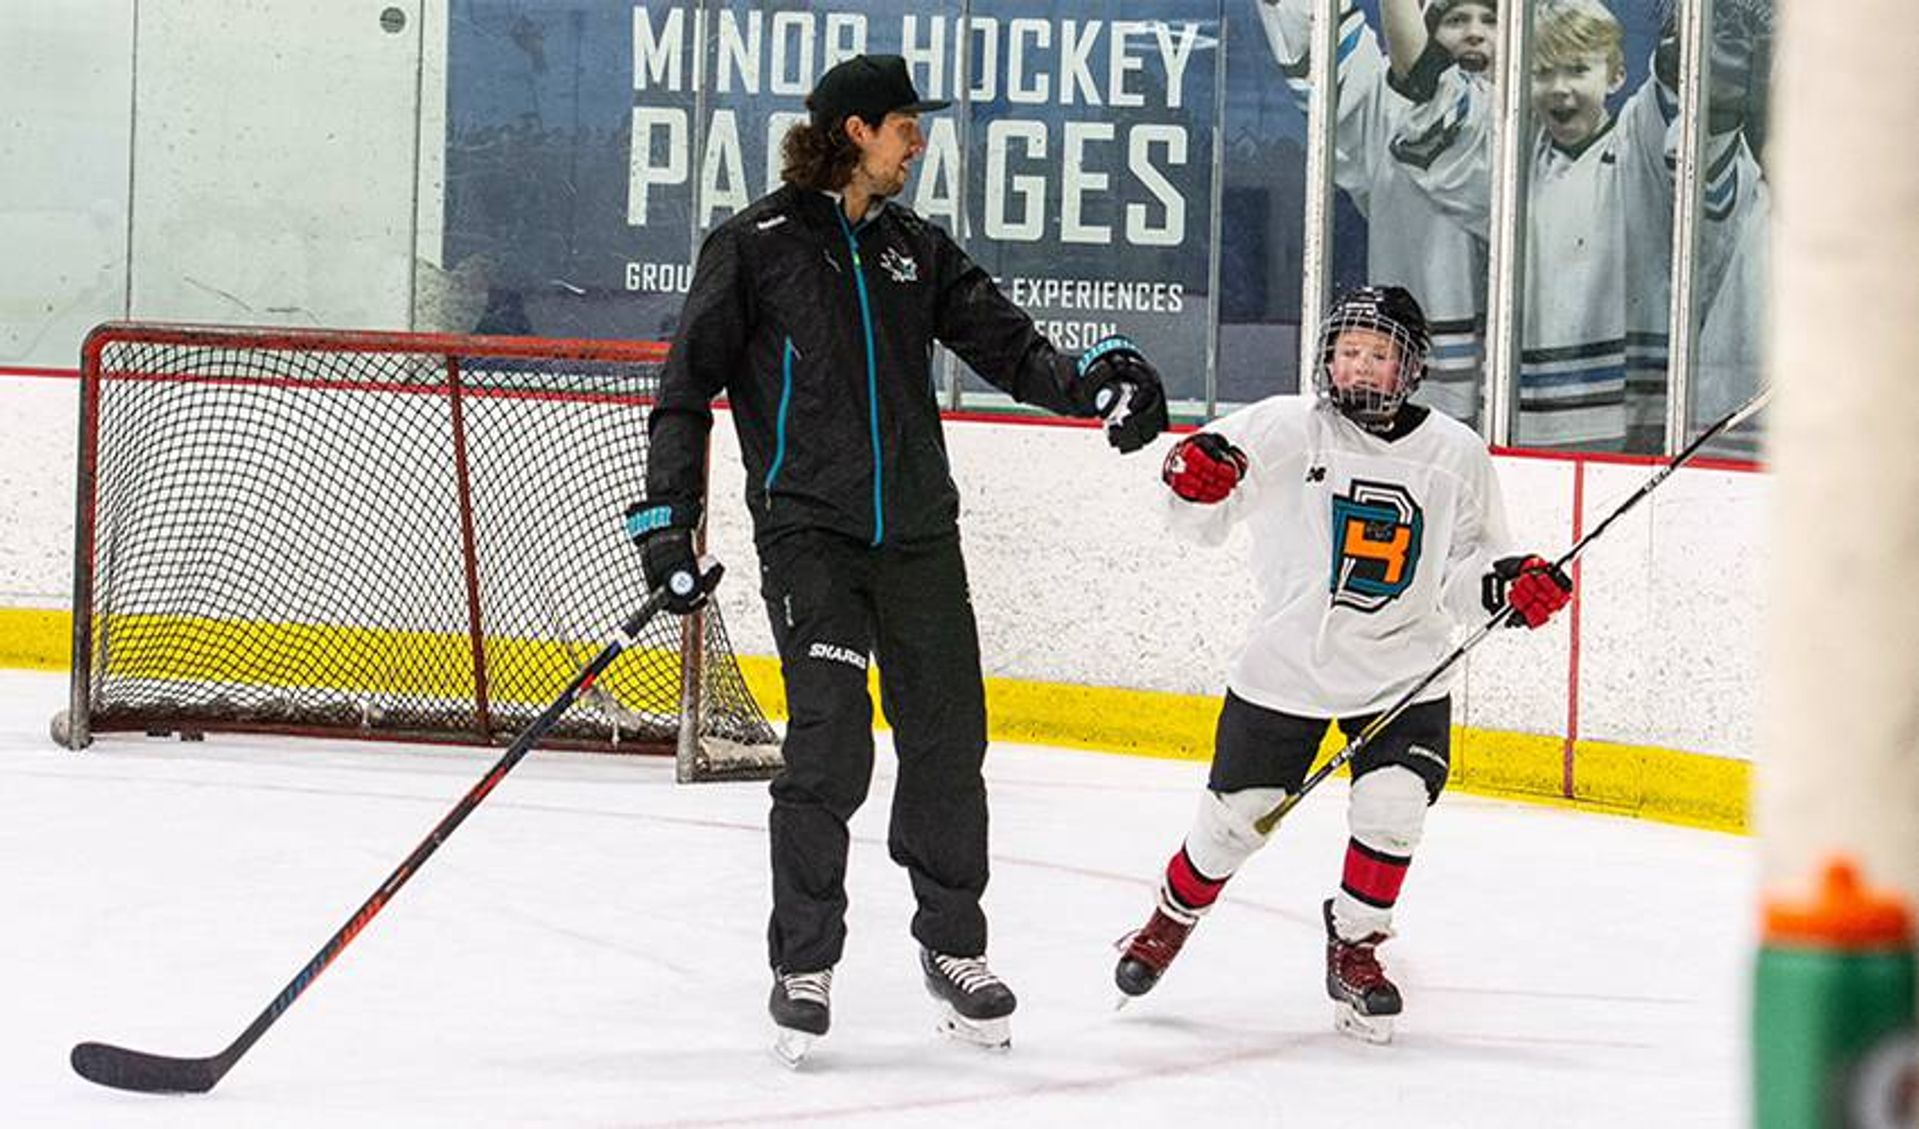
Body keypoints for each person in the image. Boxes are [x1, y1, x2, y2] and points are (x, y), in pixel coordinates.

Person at [623, 53, 1169, 1066]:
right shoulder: (754, 247)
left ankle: (954, 949)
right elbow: (681, 391)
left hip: (918, 535)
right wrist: (666, 524)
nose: (918, 141)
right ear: (853, 131)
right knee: (831, 748)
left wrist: (1091, 383)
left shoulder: (916, 249)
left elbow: (1012, 349)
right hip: (809, 535)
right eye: (904, 125)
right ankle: (803, 960)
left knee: (947, 747)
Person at [1111, 285, 1571, 1043]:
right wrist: (1194, 481)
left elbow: (1465, 569)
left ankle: (1355, 946)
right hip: (1287, 667)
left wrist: (1504, 586)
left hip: (1401, 670)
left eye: (1379, 354)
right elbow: (1197, 515)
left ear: (1410, 367)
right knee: (1231, 826)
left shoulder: (1455, 453)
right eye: (1347, 350)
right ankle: (1169, 918)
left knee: (1392, 808)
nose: (1357, 367)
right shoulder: (1288, 426)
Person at [1255, 0, 1499, 427]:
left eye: (1491, 19)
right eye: (1455, 19)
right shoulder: (1389, 111)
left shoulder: (1546, 125)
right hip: (1422, 406)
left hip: (1536, 413)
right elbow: (1318, 33)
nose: (1475, 32)